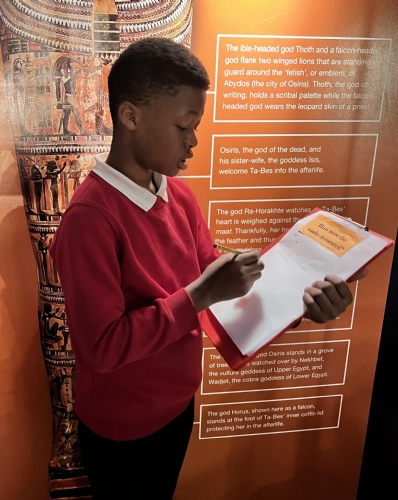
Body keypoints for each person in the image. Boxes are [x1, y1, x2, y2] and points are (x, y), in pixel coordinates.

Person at [49, 37, 364, 499]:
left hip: (177, 406)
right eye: (184, 126)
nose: (193, 141)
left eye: (195, 126)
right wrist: (198, 296)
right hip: (122, 427)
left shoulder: (179, 197)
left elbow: (222, 292)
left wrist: (302, 297)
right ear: (131, 116)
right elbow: (102, 347)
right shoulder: (90, 219)